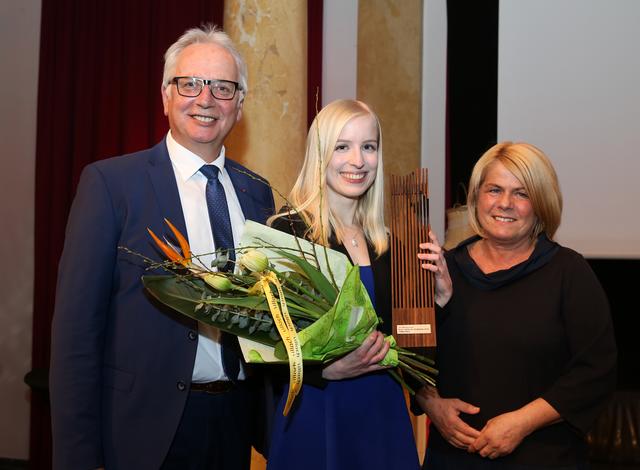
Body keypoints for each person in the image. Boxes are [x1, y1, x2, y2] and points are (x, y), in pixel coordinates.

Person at [49, 25, 275, 470]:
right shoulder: (111, 185)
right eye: (189, 83)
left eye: (222, 87)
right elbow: (76, 335)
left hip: (236, 423)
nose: (205, 99)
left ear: (240, 104)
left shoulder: (258, 193)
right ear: (166, 95)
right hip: (141, 432)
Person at [416, 142, 617, 469]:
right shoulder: (442, 271)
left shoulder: (569, 273)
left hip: (545, 457)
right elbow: (410, 356)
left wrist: (522, 422)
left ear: (541, 203)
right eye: (494, 190)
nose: (505, 204)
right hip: (453, 458)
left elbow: (596, 371)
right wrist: (431, 403)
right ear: (477, 197)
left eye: (521, 194)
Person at [266, 99, 420, 470]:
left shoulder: (389, 242)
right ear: (320, 154)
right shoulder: (288, 232)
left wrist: (439, 298)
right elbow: (265, 341)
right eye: (342, 147)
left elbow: (415, 345)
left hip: (382, 409)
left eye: (368, 147)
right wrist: (323, 370)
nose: (358, 160)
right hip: (317, 408)